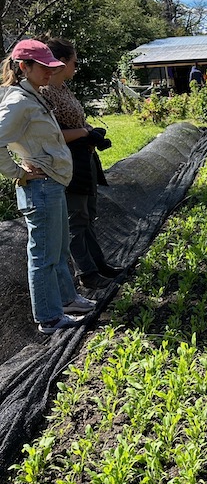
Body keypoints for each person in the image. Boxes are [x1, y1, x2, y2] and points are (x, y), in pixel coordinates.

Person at [0, 39, 96, 334]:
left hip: (52, 183)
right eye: (42, 67)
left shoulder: (35, 96)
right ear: (23, 67)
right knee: (42, 255)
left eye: (51, 66)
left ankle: (67, 300)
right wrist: (17, 171)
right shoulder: (17, 101)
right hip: (39, 188)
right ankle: (49, 318)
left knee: (57, 250)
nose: (48, 72)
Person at [41, 37, 124, 289]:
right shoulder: (46, 92)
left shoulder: (63, 88)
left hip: (84, 159)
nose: (76, 67)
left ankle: (98, 264)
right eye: (74, 63)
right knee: (76, 219)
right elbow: (52, 135)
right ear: (60, 62)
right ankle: (86, 273)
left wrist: (91, 131)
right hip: (69, 163)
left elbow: (75, 122)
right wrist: (86, 134)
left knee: (87, 215)